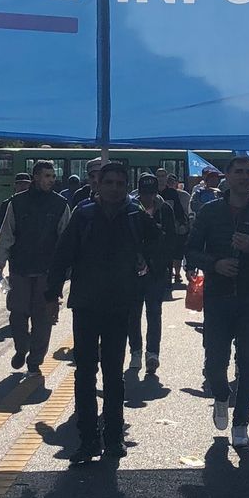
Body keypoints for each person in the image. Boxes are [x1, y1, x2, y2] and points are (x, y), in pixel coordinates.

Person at [47, 160, 158, 460]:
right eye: (109, 182)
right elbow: (62, 255)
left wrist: (145, 265)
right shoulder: (83, 215)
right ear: (99, 184)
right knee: (85, 372)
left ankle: (113, 437)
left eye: (120, 184)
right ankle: (87, 440)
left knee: (112, 374)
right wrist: (52, 292)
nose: (114, 188)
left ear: (126, 186)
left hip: (120, 304)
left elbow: (162, 244)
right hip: (85, 303)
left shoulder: (136, 215)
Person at [184, 155, 249, 448]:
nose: (244, 177)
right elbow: (190, 250)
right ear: (227, 176)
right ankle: (220, 395)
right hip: (218, 298)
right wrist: (215, 264)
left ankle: (241, 422)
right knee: (215, 362)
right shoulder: (210, 212)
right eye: (238, 172)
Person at [0, 161, 70, 376]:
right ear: (36, 177)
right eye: (47, 176)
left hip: (47, 271)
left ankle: (35, 360)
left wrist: (68, 267)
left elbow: (66, 238)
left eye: (53, 176)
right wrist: (0, 260)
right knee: (17, 313)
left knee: (43, 319)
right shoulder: (17, 203)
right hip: (20, 269)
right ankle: (21, 348)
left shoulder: (60, 204)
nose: (51, 180)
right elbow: (7, 233)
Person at [126, 174, 178, 378]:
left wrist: (165, 264)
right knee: (133, 314)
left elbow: (171, 238)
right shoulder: (131, 209)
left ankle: (153, 353)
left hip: (157, 270)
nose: (148, 197)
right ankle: (135, 352)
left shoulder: (165, 210)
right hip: (133, 270)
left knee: (154, 313)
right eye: (145, 193)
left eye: (151, 193)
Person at [157, 169, 191, 287]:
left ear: (166, 178)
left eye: (163, 176)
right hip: (157, 227)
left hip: (172, 226)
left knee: (175, 251)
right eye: (159, 176)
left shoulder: (172, 192)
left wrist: (182, 222)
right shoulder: (153, 191)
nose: (161, 178)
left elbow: (178, 208)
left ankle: (175, 274)